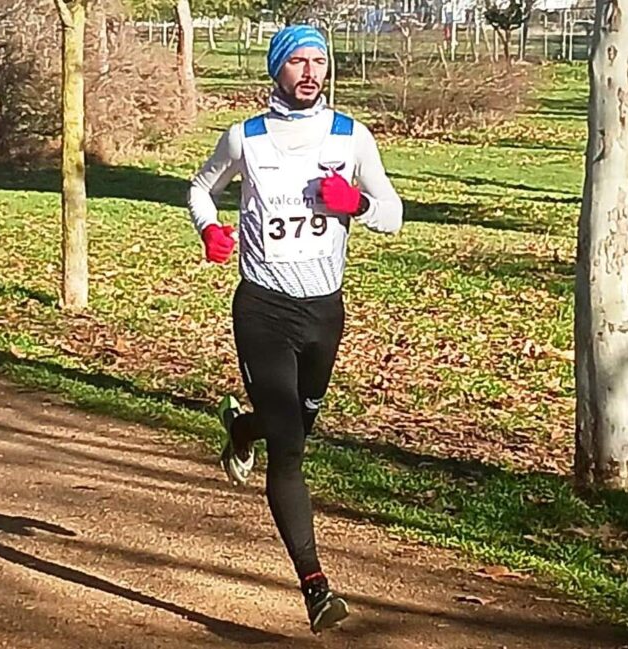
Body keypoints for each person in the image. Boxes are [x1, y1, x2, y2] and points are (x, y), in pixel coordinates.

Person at [187, 24, 403, 634]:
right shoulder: (246, 138)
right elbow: (200, 190)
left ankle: (241, 428)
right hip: (263, 308)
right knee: (290, 449)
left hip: (323, 313)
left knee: (296, 426)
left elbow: (393, 213)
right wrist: (210, 229)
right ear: (276, 69)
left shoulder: (350, 136)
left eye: (319, 62)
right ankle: (316, 587)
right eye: (297, 62)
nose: (310, 72)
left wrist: (357, 204)